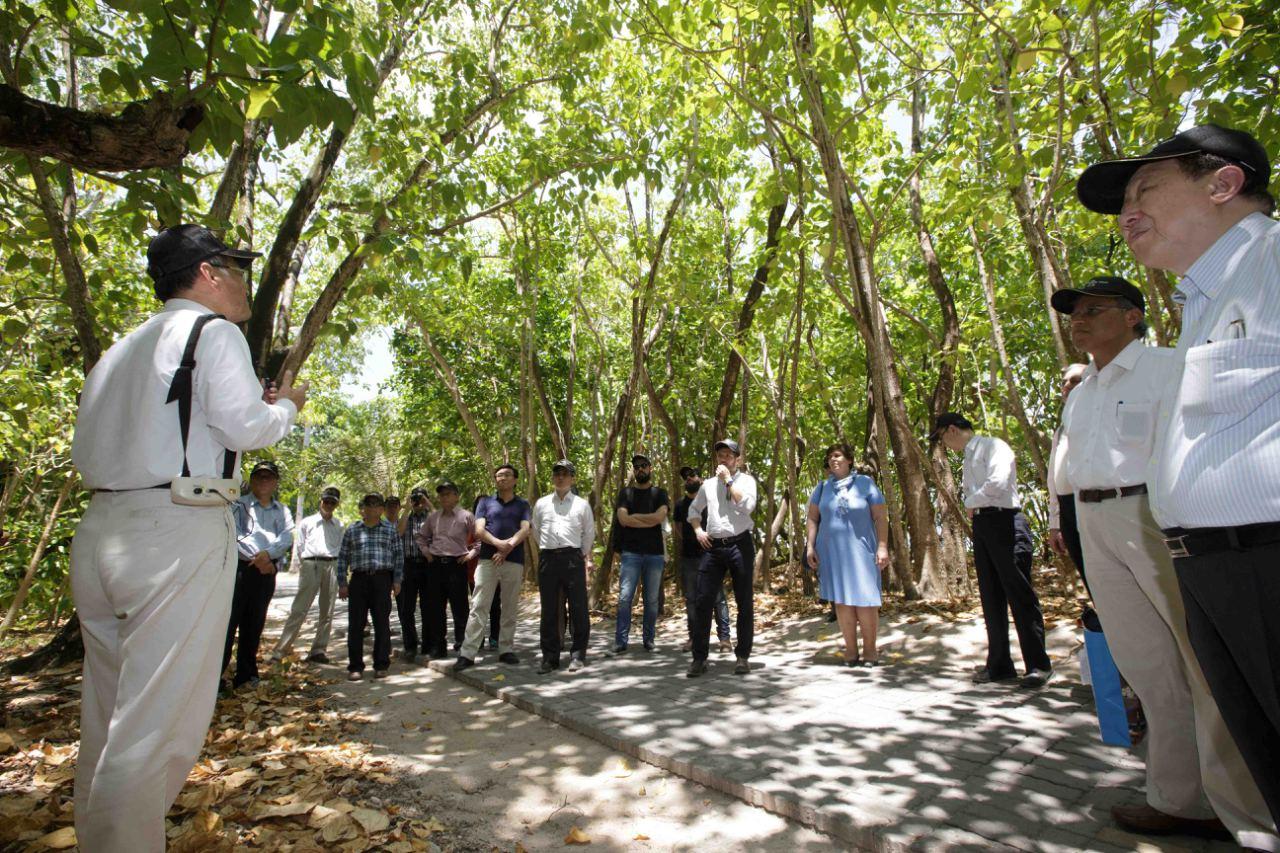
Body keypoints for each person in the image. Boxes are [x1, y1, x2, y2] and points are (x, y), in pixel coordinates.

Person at [70, 223, 306, 851]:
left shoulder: (122, 350)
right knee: (153, 725)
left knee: (107, 715)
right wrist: (287, 408)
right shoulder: (213, 331)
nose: (243, 282)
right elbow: (247, 426)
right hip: (172, 533)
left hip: (101, 532)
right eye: (236, 269)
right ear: (208, 273)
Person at [1079, 123, 1280, 845]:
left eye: (1145, 190)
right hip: (1208, 562)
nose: (1127, 211)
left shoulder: (1273, 264)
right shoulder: (1202, 302)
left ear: (1223, 183)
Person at [1052, 274, 1271, 844]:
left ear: (1131, 315)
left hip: (1155, 516)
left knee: (1204, 664)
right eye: (1073, 312)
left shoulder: (1170, 369)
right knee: (1150, 668)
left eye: (1093, 309)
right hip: (1094, 523)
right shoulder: (1082, 393)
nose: (1079, 319)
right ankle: (1179, 799)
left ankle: (1248, 813)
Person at [931, 413, 1053, 688]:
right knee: (991, 597)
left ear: (951, 429)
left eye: (942, 437)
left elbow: (998, 482)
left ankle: (1038, 665)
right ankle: (999, 665)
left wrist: (971, 502)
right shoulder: (967, 457)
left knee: (1019, 596)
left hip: (1006, 522)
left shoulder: (992, 446)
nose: (944, 443)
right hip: (984, 526)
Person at [805, 444, 889, 667]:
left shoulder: (865, 483)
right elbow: (813, 518)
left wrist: (882, 546)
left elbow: (881, 517)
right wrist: (810, 547)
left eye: (838, 455)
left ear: (849, 460)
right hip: (832, 552)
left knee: (866, 601)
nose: (833, 460)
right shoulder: (821, 488)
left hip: (862, 551)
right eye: (830, 457)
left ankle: (870, 652)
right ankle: (851, 652)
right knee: (842, 602)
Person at [686, 439, 758, 677]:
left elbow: (747, 505)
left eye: (728, 455)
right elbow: (693, 511)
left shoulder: (746, 481)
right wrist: (698, 530)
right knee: (703, 600)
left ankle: (742, 657)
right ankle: (699, 658)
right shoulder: (707, 485)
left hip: (740, 544)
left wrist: (728, 480)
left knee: (744, 601)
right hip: (714, 547)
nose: (723, 459)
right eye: (720, 456)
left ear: (738, 459)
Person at [221, 459, 294, 691]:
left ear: (275, 482)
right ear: (252, 480)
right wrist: (260, 558)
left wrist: (268, 555)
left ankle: (246, 675)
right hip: (241, 570)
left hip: (266, 573)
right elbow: (235, 533)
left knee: (254, 624)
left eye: (269, 477)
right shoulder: (238, 505)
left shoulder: (282, 510)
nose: (264, 481)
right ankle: (215, 677)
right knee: (229, 623)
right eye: (260, 476)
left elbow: (286, 537)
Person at [456, 464, 533, 671]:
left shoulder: (523, 504)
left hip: (514, 560)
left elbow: (525, 529)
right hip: (487, 560)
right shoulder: (485, 502)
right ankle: (468, 653)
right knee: (479, 605)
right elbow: (479, 530)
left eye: (507, 475)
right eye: (499, 475)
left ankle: (506, 649)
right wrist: (499, 544)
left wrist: (507, 547)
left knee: (509, 607)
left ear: (515, 480)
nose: (502, 478)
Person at [532, 460, 596, 673]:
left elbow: (588, 533)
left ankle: (578, 655)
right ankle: (550, 658)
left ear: (572, 478)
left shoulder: (581, 504)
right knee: (549, 609)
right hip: (548, 559)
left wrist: (581, 554)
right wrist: (547, 549)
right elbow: (536, 531)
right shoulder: (541, 504)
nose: (561, 477)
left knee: (578, 608)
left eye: (565, 474)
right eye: (557, 473)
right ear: (553, 477)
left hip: (573, 558)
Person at [270, 486, 343, 664]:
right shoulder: (307, 522)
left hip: (332, 565)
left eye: (332, 502)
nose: (329, 505)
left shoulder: (339, 525)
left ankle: (318, 650)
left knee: (327, 612)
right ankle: (281, 650)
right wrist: (308, 563)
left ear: (336, 505)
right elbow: (301, 546)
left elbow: (340, 547)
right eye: (326, 501)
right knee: (300, 609)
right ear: (321, 501)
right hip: (311, 564)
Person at [338, 493, 403, 680]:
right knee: (356, 624)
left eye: (377, 505)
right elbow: (343, 557)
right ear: (363, 508)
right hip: (358, 580)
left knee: (382, 623)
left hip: (382, 580)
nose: (373, 508)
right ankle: (355, 667)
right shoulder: (353, 530)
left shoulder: (390, 530)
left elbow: (398, 557)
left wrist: (397, 580)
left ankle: (381, 664)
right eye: (369, 504)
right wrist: (342, 582)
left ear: (382, 509)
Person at [612, 453, 671, 653]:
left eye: (644, 465)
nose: (640, 469)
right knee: (625, 597)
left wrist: (635, 517)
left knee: (652, 599)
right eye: (636, 466)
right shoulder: (625, 494)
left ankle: (649, 639)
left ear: (650, 468)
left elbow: (659, 517)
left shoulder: (660, 493)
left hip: (654, 553)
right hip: (631, 553)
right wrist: (647, 519)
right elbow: (623, 520)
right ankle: (620, 642)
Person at [415, 481, 478, 658]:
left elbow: (478, 539)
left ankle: (461, 645)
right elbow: (421, 537)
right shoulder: (433, 517)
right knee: (436, 607)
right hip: (435, 566)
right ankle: (438, 646)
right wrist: (427, 553)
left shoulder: (466, 516)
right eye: (442, 494)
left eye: (448, 494)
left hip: (456, 565)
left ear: (456, 496)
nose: (444, 497)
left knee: (460, 607)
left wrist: (470, 554)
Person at [673, 466, 731, 654]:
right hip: (689, 557)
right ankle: (694, 638)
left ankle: (724, 638)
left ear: (699, 477)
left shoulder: (711, 499)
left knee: (718, 598)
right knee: (691, 599)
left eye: (692, 475)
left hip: (713, 555)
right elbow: (679, 529)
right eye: (686, 477)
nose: (689, 479)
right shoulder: (680, 505)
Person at [1046, 363, 1090, 600]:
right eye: (1064, 381)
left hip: (1093, 505)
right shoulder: (1061, 429)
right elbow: (1054, 478)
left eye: (1074, 380)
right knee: (1090, 578)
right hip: (1068, 509)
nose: (1066, 386)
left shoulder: (1099, 416)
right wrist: (1056, 522)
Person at [395, 487, 432, 664]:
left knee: (428, 607)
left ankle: (427, 644)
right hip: (407, 565)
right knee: (406, 608)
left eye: (421, 499)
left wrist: (428, 504)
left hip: (427, 565)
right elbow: (399, 532)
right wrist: (408, 508)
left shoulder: (432, 517)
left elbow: (443, 526)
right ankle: (410, 646)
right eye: (416, 499)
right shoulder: (406, 518)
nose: (418, 502)